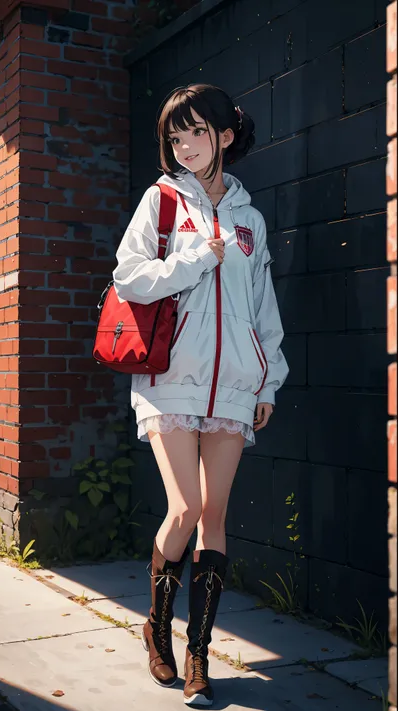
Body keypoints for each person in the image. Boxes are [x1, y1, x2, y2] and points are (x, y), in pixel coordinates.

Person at [112, 83, 288, 707]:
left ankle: (198, 655)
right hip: (169, 382)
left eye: (195, 133)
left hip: (236, 385)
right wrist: (194, 262)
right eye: (174, 137)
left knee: (214, 518)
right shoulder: (161, 202)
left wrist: (270, 378)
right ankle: (156, 629)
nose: (184, 146)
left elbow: (262, 305)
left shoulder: (250, 219)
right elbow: (127, 277)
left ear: (226, 136)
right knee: (184, 509)